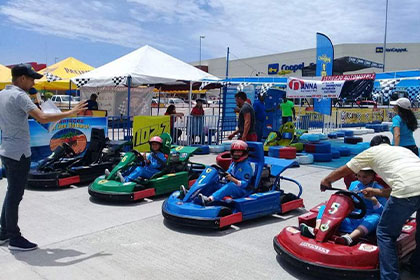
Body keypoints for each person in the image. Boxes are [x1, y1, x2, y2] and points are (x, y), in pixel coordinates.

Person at [0, 64, 87, 251]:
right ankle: (14, 237)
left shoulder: (2, 94)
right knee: (15, 195)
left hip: (6, 150)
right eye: (31, 78)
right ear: (22, 78)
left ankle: (3, 232)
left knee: (11, 192)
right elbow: (42, 118)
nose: (33, 82)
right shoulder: (20, 95)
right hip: (19, 153)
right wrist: (70, 113)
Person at [320, 135, 420, 280]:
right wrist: (376, 192)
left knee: (385, 234)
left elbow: (346, 168)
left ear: (372, 146)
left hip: (390, 202)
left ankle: (389, 277)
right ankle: (416, 266)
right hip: (409, 189)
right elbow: (406, 185)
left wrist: (327, 180)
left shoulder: (372, 152)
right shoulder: (403, 151)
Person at [301, 168, 387, 246]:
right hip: (350, 215)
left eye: (365, 177)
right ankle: (317, 230)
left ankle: (349, 238)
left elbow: (382, 212)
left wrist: (373, 200)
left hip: (365, 218)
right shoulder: (354, 184)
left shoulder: (378, 189)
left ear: (372, 176)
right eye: (359, 176)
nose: (361, 179)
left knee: (376, 217)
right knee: (325, 208)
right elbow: (348, 201)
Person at [199, 140, 253, 204]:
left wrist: (233, 179)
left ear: (244, 153)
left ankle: (210, 199)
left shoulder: (246, 166)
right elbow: (227, 172)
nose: (236, 154)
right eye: (234, 152)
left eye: (239, 152)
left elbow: (245, 184)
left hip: (242, 190)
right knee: (213, 182)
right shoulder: (234, 163)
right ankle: (197, 194)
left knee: (230, 186)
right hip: (230, 184)